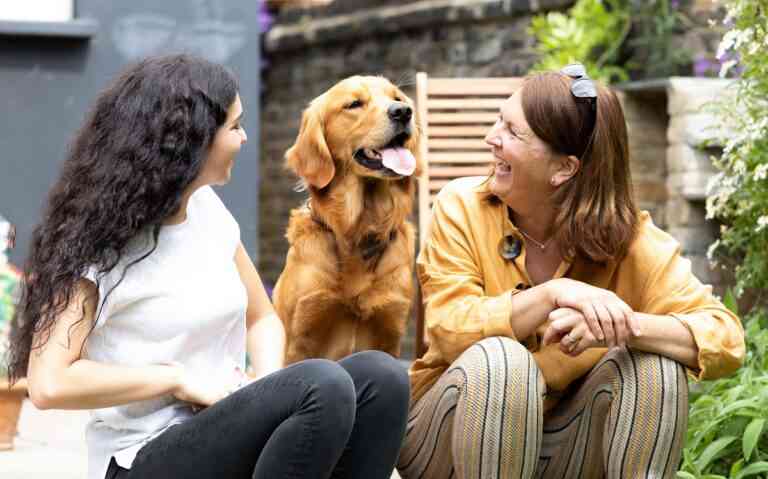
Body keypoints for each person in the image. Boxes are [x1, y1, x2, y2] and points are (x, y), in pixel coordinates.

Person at [7, 54, 409, 479]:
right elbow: (50, 383)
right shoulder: (98, 246)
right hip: (141, 455)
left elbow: (262, 319)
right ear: (191, 140)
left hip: (226, 424)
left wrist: (271, 388)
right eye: (234, 127)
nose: (244, 138)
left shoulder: (206, 211)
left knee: (381, 377)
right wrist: (174, 380)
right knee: (321, 386)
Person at [396, 64, 745, 479]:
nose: (491, 138)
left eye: (511, 132)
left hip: (563, 444)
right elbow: (448, 328)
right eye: (498, 121)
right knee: (502, 363)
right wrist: (552, 294)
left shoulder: (629, 237)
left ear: (564, 169)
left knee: (656, 365)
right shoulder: (461, 206)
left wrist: (621, 325)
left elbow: (724, 338)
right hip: (447, 439)